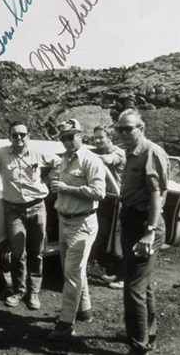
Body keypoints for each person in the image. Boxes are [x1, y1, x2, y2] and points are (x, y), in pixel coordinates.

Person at [0, 121, 59, 310]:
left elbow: (60, 163)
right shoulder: (1, 154)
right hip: (14, 210)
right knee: (17, 253)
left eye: (22, 134)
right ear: (9, 137)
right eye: (15, 135)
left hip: (37, 207)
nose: (19, 138)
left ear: (28, 136)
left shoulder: (38, 152)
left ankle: (34, 293)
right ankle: (18, 291)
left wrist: (48, 179)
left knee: (37, 252)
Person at [116, 108, 169, 355]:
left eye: (129, 128)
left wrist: (149, 231)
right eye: (121, 129)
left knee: (133, 286)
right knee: (143, 284)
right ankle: (147, 336)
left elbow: (156, 194)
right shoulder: (131, 152)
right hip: (131, 220)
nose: (125, 133)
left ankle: (138, 347)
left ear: (141, 128)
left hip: (146, 223)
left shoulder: (151, 152)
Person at [48, 119, 106, 341]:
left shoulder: (91, 160)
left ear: (81, 135)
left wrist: (67, 188)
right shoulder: (64, 159)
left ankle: (65, 324)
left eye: (71, 136)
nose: (67, 141)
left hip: (83, 223)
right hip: (65, 220)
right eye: (63, 138)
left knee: (72, 274)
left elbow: (99, 192)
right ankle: (85, 310)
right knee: (71, 271)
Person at [93, 126, 126, 290]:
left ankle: (123, 277)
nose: (98, 141)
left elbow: (107, 160)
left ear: (110, 138)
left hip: (118, 199)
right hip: (105, 198)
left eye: (101, 138)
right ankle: (113, 271)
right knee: (105, 237)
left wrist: (84, 154)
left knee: (118, 239)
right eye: (95, 138)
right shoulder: (96, 151)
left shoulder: (118, 152)